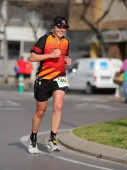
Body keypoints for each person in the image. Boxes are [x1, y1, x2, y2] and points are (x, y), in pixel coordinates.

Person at [28, 16, 72, 154]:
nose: (62, 30)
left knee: (58, 106)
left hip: (59, 78)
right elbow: (32, 57)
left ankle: (53, 139)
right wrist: (50, 55)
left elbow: (63, 57)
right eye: (59, 27)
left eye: (64, 28)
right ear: (54, 27)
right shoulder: (45, 39)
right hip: (44, 79)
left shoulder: (66, 42)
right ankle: (33, 138)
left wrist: (67, 60)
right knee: (40, 112)